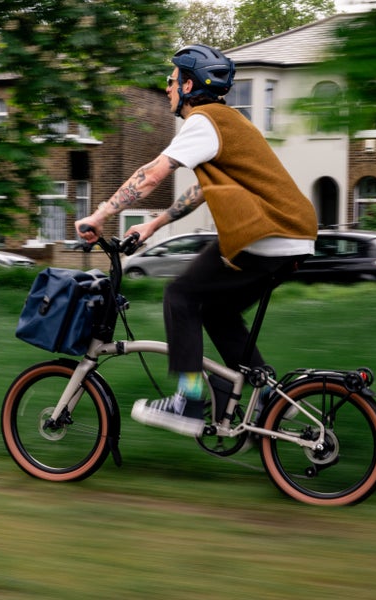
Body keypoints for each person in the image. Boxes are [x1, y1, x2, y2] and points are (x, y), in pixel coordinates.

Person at [75, 44, 317, 436]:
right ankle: (270, 398)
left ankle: (188, 401)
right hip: (287, 236)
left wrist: (99, 215)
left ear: (188, 85)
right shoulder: (226, 122)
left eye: (172, 81)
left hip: (268, 234)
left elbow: (151, 174)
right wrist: (153, 226)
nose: (167, 88)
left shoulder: (204, 121)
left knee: (180, 295)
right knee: (216, 311)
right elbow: (201, 191)